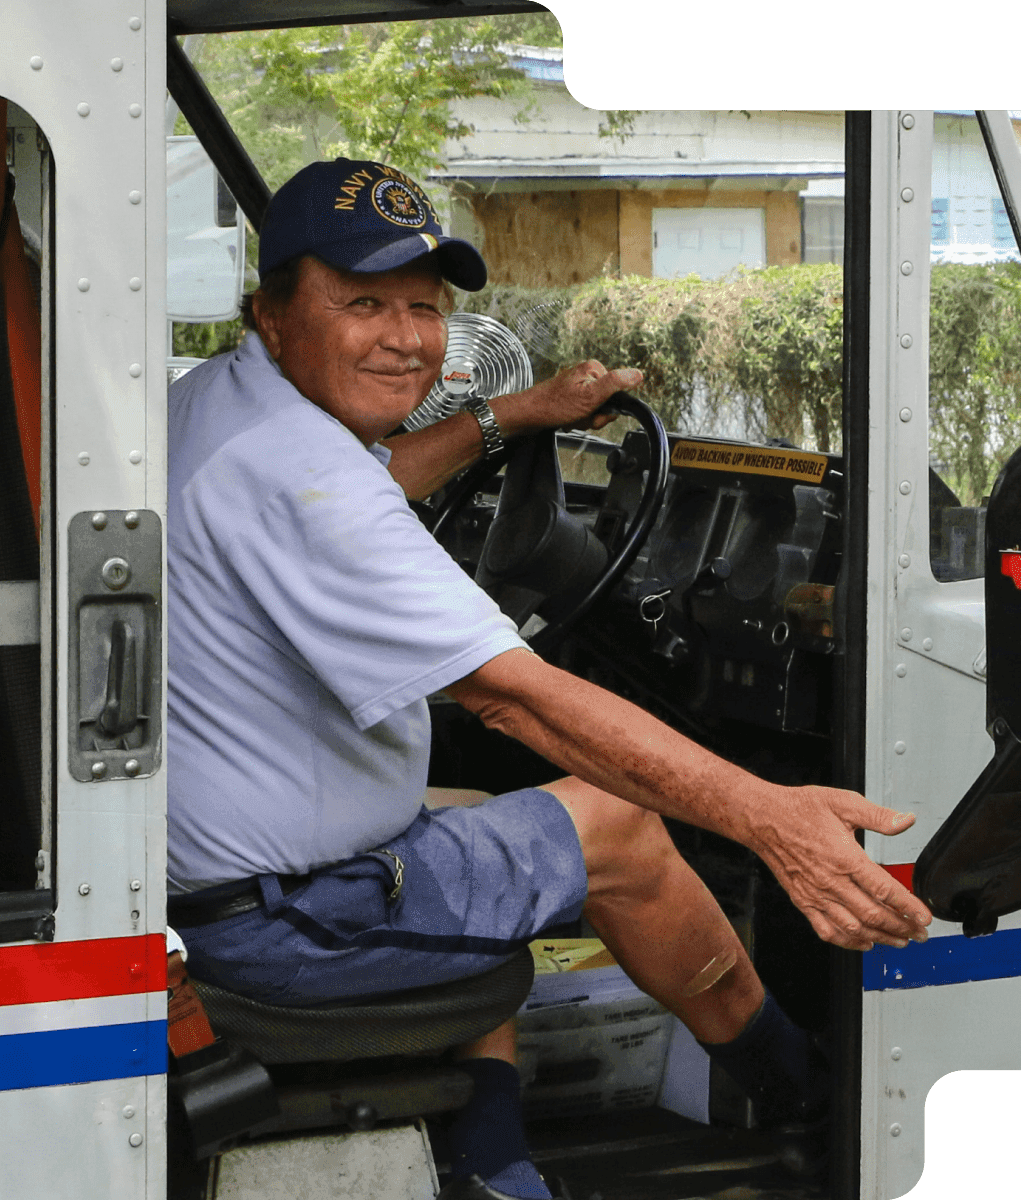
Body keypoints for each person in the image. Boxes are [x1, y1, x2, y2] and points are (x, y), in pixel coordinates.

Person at [163, 159, 931, 1200]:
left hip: (210, 877)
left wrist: (515, 415)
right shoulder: (305, 483)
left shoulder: (223, 404)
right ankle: (807, 1105)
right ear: (272, 312)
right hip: (286, 924)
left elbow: (380, 479)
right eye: (361, 304)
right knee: (615, 826)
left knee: (485, 818)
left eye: (424, 308)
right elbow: (511, 694)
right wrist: (766, 816)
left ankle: (491, 1160)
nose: (404, 337)